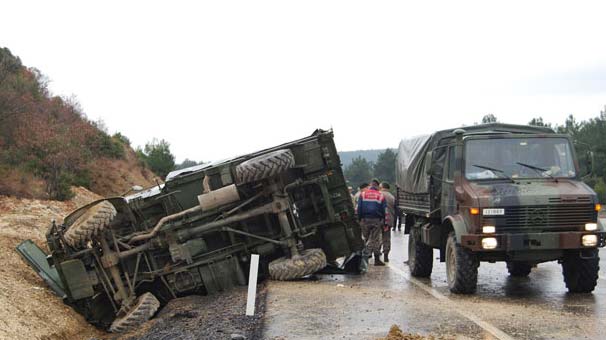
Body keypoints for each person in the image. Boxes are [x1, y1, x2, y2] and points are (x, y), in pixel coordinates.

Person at [357, 179, 386, 266]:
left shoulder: (363, 194)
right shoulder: (380, 195)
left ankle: (366, 258)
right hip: (376, 220)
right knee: (375, 239)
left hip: (365, 220)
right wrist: (383, 220)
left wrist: (360, 218)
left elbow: (359, 208)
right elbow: (384, 209)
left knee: (366, 238)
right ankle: (376, 260)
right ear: (377, 186)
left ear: (370, 185)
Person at [380, 182, 395, 263]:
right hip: (388, 220)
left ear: (382, 187)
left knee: (377, 237)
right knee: (387, 238)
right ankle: (386, 255)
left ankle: (376, 254)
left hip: (379, 220)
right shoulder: (391, 197)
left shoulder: (378, 194)